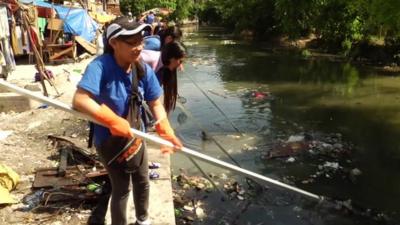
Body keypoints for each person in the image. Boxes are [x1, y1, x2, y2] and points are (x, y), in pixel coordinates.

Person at [72, 16, 183, 225]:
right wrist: (112, 120)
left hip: (135, 134)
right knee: (121, 188)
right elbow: (80, 99)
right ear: (114, 43)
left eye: (141, 41)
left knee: (142, 180)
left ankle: (143, 220)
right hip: (109, 139)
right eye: (131, 43)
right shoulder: (100, 66)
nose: (139, 47)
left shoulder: (141, 68)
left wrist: (164, 126)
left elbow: (155, 103)